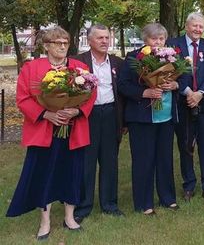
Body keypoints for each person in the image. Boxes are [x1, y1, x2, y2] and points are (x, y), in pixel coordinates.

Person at [6, 26, 95, 240]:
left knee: (72, 172)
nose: (63, 46)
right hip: (44, 131)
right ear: (47, 46)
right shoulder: (32, 68)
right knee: (44, 174)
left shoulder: (80, 67)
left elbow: (92, 92)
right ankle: (45, 221)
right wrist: (46, 114)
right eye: (58, 43)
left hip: (73, 130)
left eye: (66, 42)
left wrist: (76, 110)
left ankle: (69, 217)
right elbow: (23, 98)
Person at [117, 23, 178, 215]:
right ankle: (144, 202)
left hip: (166, 117)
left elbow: (183, 77)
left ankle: (167, 198)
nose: (158, 42)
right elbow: (123, 85)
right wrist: (146, 92)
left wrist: (175, 84)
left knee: (165, 159)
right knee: (144, 160)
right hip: (142, 117)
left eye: (161, 38)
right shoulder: (134, 58)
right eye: (154, 39)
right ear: (145, 40)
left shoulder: (171, 57)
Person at [73, 24, 126, 222]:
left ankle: (110, 204)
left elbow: (124, 93)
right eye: (100, 38)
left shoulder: (117, 63)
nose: (105, 41)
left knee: (110, 161)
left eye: (107, 38)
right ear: (89, 40)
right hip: (88, 115)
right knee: (86, 161)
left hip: (112, 114)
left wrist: (124, 121)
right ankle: (82, 206)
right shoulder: (78, 62)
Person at [167, 12, 204, 202]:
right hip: (183, 103)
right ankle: (188, 185)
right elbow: (171, 71)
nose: (198, 29)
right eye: (194, 26)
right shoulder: (173, 45)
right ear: (187, 26)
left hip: (203, 104)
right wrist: (188, 92)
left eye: (201, 26)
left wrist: (200, 94)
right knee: (185, 146)